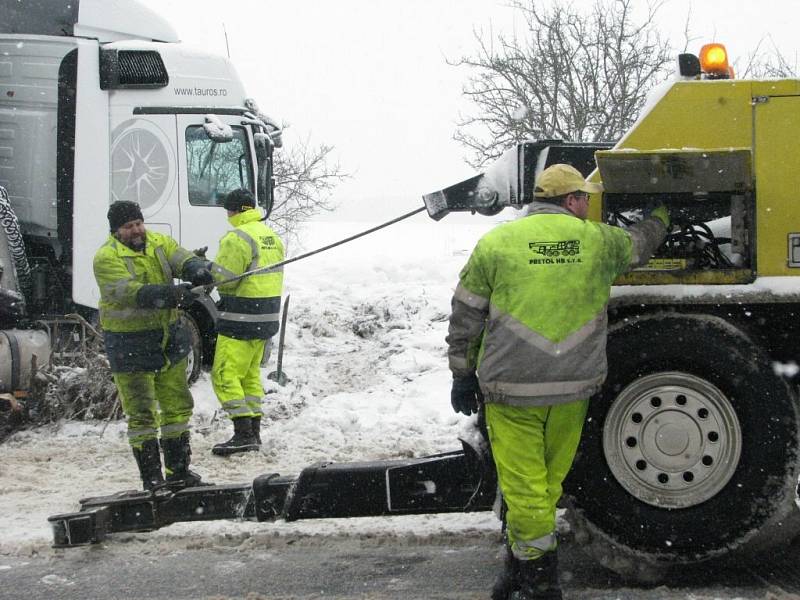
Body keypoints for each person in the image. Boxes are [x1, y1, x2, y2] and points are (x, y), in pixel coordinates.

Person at [445, 164, 669, 599]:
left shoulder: (496, 243)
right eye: (585, 198)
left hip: (512, 388)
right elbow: (640, 245)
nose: (589, 206)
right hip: (572, 387)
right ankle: (526, 568)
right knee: (546, 482)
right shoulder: (599, 242)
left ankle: (537, 577)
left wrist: (461, 373)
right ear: (571, 201)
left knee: (524, 484)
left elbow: (466, 314)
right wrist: (660, 216)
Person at [93, 200, 214, 491]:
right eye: (128, 226)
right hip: (129, 344)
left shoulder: (159, 243)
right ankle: (152, 479)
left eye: (138, 223)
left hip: (168, 338)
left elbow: (180, 257)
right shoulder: (106, 258)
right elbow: (129, 292)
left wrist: (197, 269)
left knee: (177, 406)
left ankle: (178, 471)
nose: (136, 230)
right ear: (116, 230)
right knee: (142, 413)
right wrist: (170, 294)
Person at [210, 188, 284, 456]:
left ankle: (242, 434)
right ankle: (254, 433)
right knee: (250, 375)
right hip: (265, 318)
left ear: (234, 210)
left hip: (241, 318)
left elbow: (225, 280)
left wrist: (205, 270)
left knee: (224, 374)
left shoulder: (236, 237)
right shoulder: (270, 236)